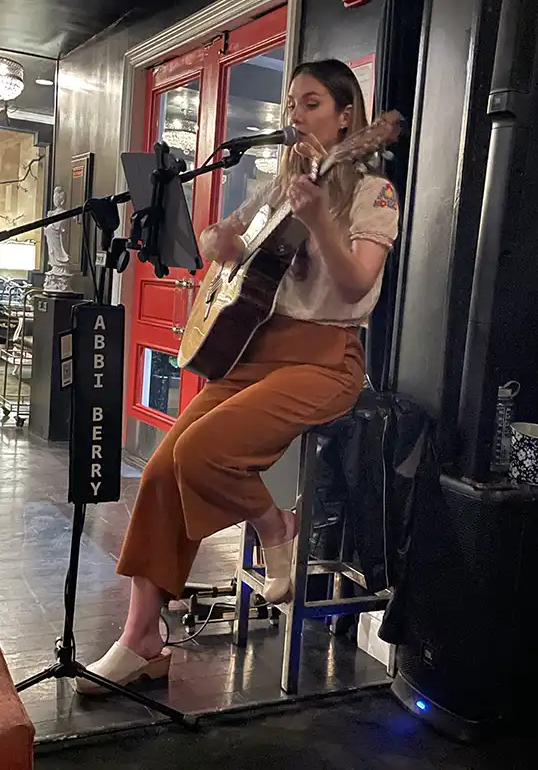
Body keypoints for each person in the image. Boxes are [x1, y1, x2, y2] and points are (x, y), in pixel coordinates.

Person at [76, 58, 400, 695]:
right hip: (251, 351)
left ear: (346, 117)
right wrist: (223, 242)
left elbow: (358, 284)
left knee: (203, 453)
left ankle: (277, 524)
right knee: (163, 467)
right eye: (289, 104)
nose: (294, 116)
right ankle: (142, 637)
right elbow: (238, 254)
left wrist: (317, 224)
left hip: (325, 359)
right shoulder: (283, 185)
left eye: (310, 103)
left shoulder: (373, 193)